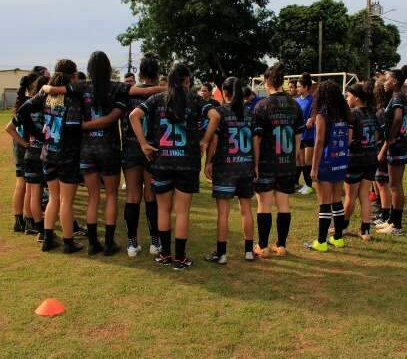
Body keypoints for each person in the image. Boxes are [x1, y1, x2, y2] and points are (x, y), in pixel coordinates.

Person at [44, 51, 163, 256]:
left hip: (87, 150)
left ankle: (93, 244)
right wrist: (168, 88)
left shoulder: (81, 86)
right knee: (111, 195)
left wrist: (47, 86)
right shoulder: (116, 86)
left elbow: (57, 88)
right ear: (108, 68)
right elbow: (144, 92)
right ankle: (109, 243)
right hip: (110, 149)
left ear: (89, 68)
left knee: (92, 197)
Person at [130, 63, 220, 270]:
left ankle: (164, 255)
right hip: (187, 162)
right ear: (187, 80)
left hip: (161, 161)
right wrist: (205, 140)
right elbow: (215, 116)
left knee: (163, 209)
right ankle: (179, 258)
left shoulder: (156, 99)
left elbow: (133, 115)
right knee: (182, 212)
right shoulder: (195, 99)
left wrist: (144, 143)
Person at [16, 59, 84, 253]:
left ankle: (47, 239)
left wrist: (35, 134)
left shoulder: (45, 94)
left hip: (48, 154)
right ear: (73, 76)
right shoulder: (73, 97)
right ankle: (69, 242)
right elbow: (72, 129)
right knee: (66, 201)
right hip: (67, 156)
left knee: (54, 198)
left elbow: (22, 111)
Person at [252, 63, 304, 258]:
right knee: (284, 203)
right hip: (287, 162)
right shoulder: (294, 105)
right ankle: (281, 246)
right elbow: (298, 137)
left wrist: (255, 163)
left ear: (267, 82)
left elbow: (256, 139)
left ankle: (263, 247)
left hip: (266, 162)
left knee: (264, 204)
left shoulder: (261, 106)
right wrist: (295, 156)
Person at [204, 76, 255, 264]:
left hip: (225, 167)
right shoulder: (250, 113)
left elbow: (214, 141)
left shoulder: (220, 112)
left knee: (223, 213)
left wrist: (208, 162)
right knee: (246, 209)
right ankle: (249, 251)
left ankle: (221, 253)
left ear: (224, 93)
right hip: (246, 165)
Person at [122, 53, 163, 257]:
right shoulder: (163, 94)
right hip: (151, 148)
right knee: (151, 195)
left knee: (132, 195)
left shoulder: (128, 92)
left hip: (130, 147)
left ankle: (132, 244)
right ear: (156, 73)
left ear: (141, 72)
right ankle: (155, 243)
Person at [305, 80, 350, 251]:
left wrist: (314, 167)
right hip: (340, 161)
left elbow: (320, 141)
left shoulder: (322, 114)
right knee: (337, 199)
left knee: (324, 202)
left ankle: (321, 242)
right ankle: (338, 238)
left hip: (326, 161)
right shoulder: (343, 114)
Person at [5, 74, 50, 240]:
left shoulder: (26, 107)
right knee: (49, 194)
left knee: (31, 192)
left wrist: (25, 144)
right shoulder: (49, 108)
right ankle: (42, 229)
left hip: (30, 154)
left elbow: (9, 128)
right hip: (45, 155)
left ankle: (35, 227)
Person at [376, 66, 407, 236]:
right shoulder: (400, 96)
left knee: (395, 185)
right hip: (401, 142)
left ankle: (396, 226)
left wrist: (391, 138)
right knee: (393, 184)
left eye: (388, 79)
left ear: (396, 81)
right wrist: (401, 131)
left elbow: (399, 117)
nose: (385, 82)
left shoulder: (397, 96)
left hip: (398, 144)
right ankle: (391, 220)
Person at [343, 83, 378, 241]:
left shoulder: (352, 114)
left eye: (348, 95)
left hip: (355, 159)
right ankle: (365, 231)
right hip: (371, 158)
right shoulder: (372, 113)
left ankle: (341, 227)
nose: (347, 98)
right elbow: (376, 136)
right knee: (364, 194)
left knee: (350, 196)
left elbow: (348, 140)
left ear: (356, 98)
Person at [6, 72, 37, 233]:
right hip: (24, 146)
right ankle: (28, 220)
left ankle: (19, 220)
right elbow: (9, 128)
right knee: (28, 185)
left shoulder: (21, 102)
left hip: (19, 146)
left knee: (22, 184)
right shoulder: (30, 103)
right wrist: (25, 143)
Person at [372, 77, 393, 227]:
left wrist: (381, 152)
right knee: (380, 182)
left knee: (383, 183)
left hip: (382, 151)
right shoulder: (384, 110)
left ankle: (385, 215)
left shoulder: (381, 113)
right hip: (381, 150)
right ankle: (382, 212)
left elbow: (384, 136)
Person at [295, 73, 315, 195]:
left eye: (299, 86)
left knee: (308, 161)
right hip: (299, 134)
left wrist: (312, 118)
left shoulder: (313, 99)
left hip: (309, 134)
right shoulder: (296, 100)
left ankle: (309, 185)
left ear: (306, 87)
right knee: (301, 161)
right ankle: (303, 185)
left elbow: (317, 112)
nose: (297, 88)